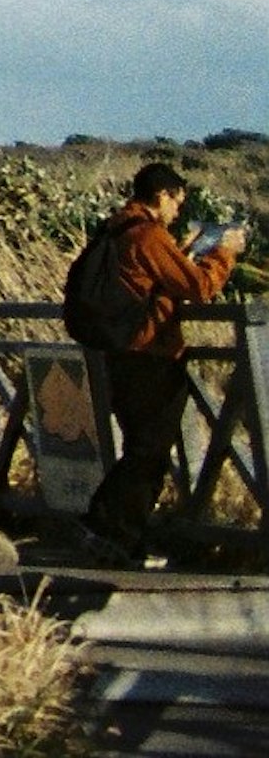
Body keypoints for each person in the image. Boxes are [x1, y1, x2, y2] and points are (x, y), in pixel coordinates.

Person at [81, 161, 245, 557]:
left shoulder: (117, 228)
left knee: (142, 446)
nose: (178, 212)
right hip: (149, 354)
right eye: (177, 202)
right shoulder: (148, 236)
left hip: (119, 351)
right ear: (162, 195)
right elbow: (199, 287)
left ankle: (109, 529)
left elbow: (148, 279)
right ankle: (111, 530)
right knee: (149, 449)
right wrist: (224, 253)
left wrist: (184, 249)